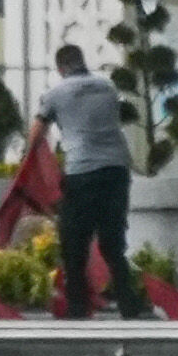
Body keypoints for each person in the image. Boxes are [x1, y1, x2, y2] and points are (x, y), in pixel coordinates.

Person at [42, 42, 134, 319]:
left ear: (60, 68)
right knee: (113, 242)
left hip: (82, 171)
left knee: (74, 242)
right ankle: (129, 304)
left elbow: (37, 130)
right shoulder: (107, 87)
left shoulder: (55, 94)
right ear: (82, 61)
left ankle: (77, 306)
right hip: (117, 168)